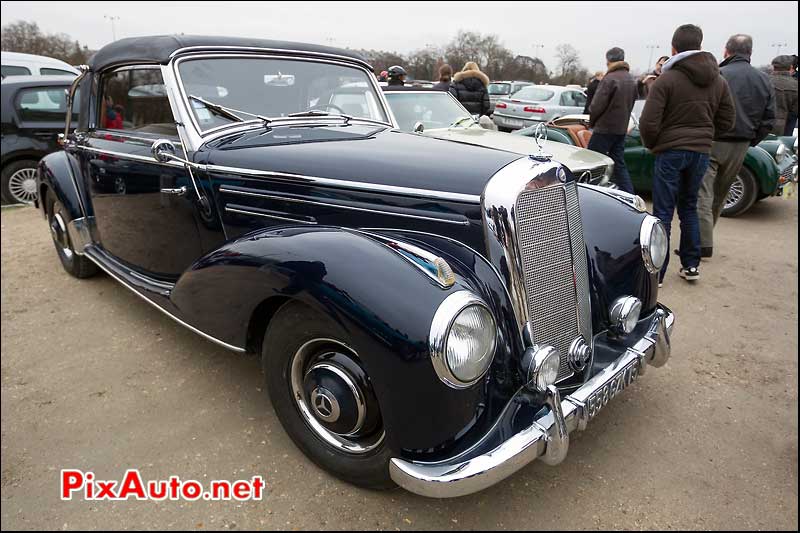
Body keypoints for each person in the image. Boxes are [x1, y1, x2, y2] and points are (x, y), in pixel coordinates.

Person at [639, 24, 736, 285]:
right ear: (700, 45)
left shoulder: (667, 79)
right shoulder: (718, 80)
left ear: (673, 48)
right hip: (700, 152)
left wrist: (654, 144)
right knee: (689, 208)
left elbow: (648, 122)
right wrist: (706, 135)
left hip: (670, 151)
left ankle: (657, 272)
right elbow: (729, 119)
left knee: (662, 212)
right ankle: (691, 265)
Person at [697, 34, 775, 258]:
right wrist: (751, 140)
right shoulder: (764, 79)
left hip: (713, 141)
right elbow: (769, 118)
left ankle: (702, 244)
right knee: (721, 194)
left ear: (726, 51)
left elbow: (704, 108)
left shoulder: (719, 74)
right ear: (750, 52)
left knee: (703, 193)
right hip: (741, 144)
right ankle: (705, 237)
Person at [587, 47, 638, 193]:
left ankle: (589, 193)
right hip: (620, 129)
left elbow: (596, 106)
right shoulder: (631, 79)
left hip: (604, 128)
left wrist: (592, 123)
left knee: (592, 162)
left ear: (608, 60)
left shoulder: (609, 78)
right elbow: (631, 104)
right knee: (619, 164)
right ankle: (629, 195)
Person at [769, 55, 798, 135]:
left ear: (773, 67)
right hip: (785, 129)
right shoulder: (795, 85)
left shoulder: (764, 81)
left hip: (762, 127)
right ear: (791, 67)